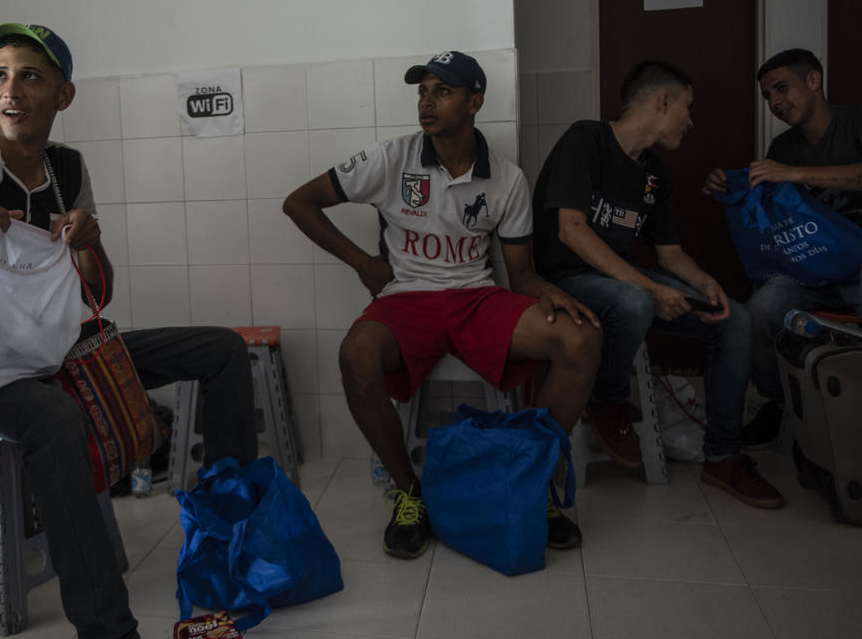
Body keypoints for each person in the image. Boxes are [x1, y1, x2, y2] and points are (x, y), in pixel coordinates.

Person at [0, 23, 259, 639]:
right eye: (1, 75)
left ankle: (231, 535)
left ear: (64, 95)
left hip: (61, 344)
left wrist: (90, 241)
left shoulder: (65, 168)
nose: (12, 91)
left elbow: (98, 285)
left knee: (221, 348)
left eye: (31, 76)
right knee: (56, 417)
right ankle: (108, 629)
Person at [283, 51, 599, 560]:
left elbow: (518, 274)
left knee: (580, 338)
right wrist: (363, 263)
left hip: (476, 297)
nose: (427, 102)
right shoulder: (391, 158)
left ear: (475, 102)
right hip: (407, 299)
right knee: (355, 355)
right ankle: (410, 494)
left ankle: (531, 483)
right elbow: (298, 201)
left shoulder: (507, 178)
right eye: (422, 91)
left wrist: (547, 290)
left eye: (442, 91)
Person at [532, 60, 783, 509]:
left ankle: (723, 456)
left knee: (735, 318)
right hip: (567, 279)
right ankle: (609, 402)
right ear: (663, 101)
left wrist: (705, 284)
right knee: (632, 300)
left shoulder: (655, 175)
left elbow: (668, 254)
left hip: (624, 282)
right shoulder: (585, 139)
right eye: (687, 107)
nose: (690, 120)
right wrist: (651, 291)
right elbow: (570, 229)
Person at [702, 48, 862, 448]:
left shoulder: (855, 123)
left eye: (782, 88)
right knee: (759, 308)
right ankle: (776, 402)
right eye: (767, 95)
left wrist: (796, 174)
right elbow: (768, 207)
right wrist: (728, 186)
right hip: (810, 274)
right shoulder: (782, 147)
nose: (774, 101)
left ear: (814, 80)